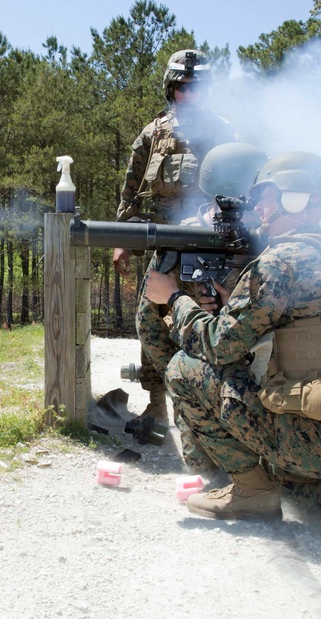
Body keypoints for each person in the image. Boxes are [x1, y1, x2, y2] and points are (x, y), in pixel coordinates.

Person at [143, 151, 321, 553]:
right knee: (287, 451)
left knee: (184, 367)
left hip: (315, 432)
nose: (259, 207)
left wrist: (174, 297)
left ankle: (253, 493)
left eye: (269, 195)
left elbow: (217, 345)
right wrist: (231, 303)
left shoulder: (280, 262)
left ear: (305, 201)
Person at [114, 48, 237, 424]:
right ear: (171, 88)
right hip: (165, 243)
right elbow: (131, 190)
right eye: (183, 87)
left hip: (208, 246)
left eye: (198, 87)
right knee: (149, 324)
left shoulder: (224, 132)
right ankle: (158, 406)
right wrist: (121, 238)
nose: (191, 94)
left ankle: (208, 412)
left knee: (208, 325)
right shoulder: (153, 133)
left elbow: (239, 189)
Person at [135, 142, 267, 469]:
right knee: (205, 466)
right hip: (203, 365)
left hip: (262, 373)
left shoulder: (272, 239)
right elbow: (149, 321)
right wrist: (179, 380)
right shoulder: (182, 241)